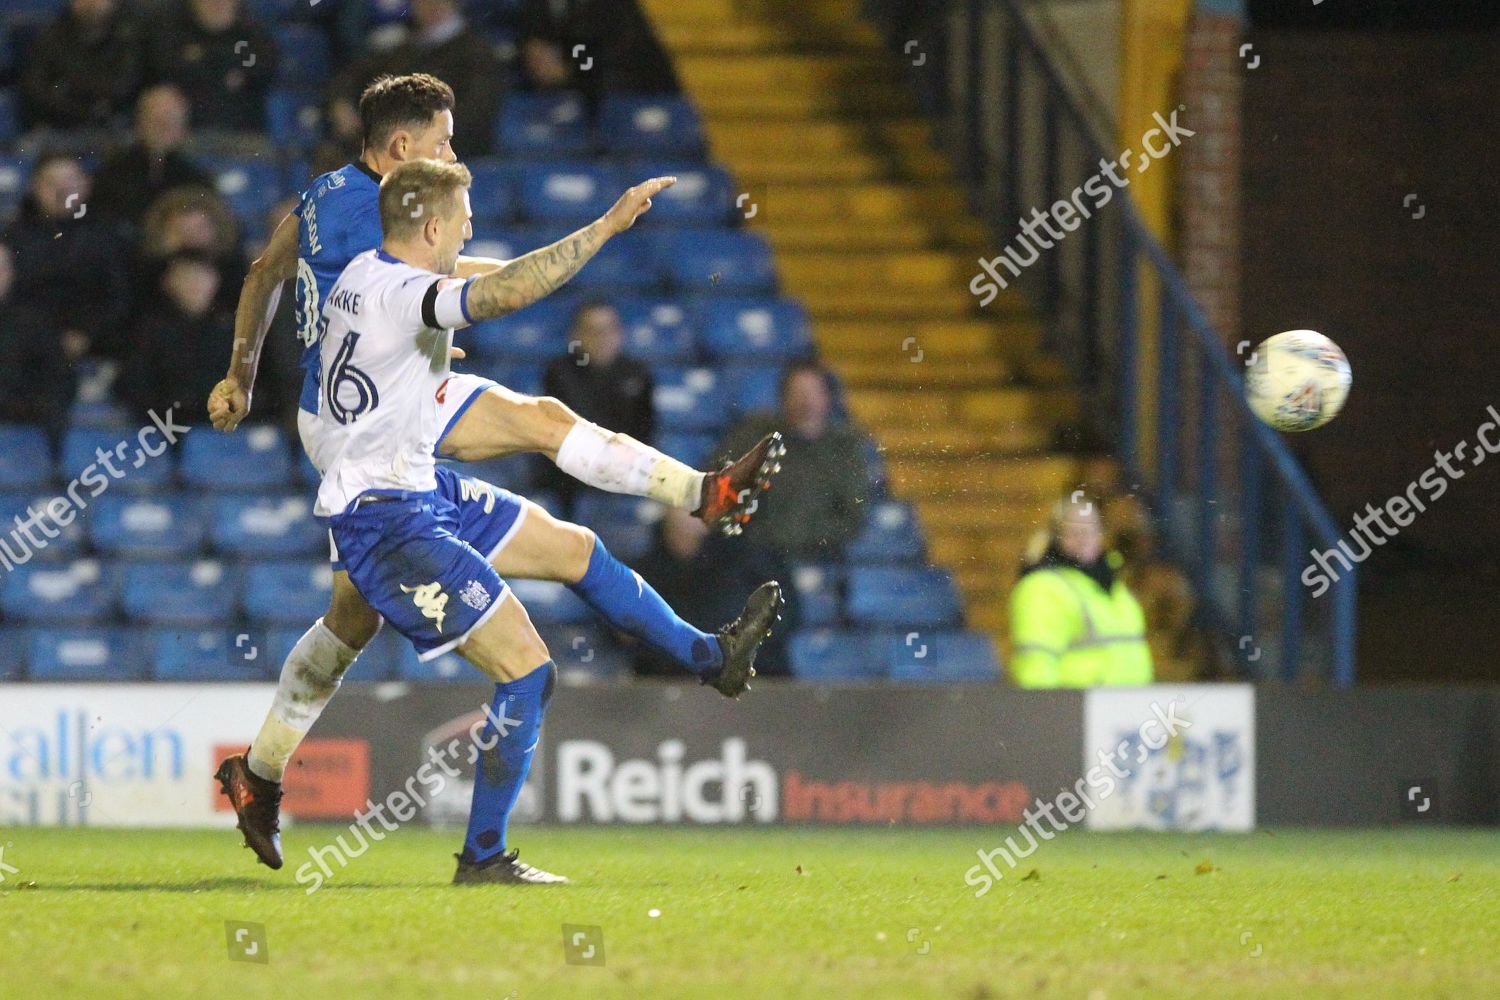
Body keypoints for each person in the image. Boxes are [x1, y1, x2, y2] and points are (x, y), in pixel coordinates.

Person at [210, 74, 783, 875]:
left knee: (539, 544)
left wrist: (247, 372)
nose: (454, 150)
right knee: (510, 633)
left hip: (383, 435)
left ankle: (709, 637)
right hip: (363, 451)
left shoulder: (330, 202)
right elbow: (456, 293)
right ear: (404, 154)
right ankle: (481, 855)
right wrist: (595, 234)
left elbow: (274, 276)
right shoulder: (368, 235)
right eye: (444, 140)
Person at [718, 359, 870, 559]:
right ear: (783, 398)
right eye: (798, 393)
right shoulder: (758, 437)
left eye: (813, 393)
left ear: (827, 398)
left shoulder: (845, 448)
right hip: (758, 557)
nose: (806, 402)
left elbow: (854, 516)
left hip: (823, 557)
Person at [1008, 494, 1154, 688]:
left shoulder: (1112, 583)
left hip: (1127, 707)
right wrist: (1046, 713)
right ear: (1056, 536)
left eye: (1090, 530)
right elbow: (1036, 664)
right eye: (1074, 531)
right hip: (1078, 709)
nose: (1084, 539)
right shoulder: (1043, 587)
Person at [633, 507, 796, 678]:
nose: (685, 520)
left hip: (750, 682)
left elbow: (784, 617)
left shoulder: (751, 561)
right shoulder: (647, 571)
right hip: (668, 684)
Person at [2, 152, 132, 361]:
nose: (62, 190)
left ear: (86, 185)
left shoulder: (108, 235)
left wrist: (85, 332)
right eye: (51, 183)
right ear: (33, 187)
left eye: (70, 181)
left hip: (99, 346)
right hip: (28, 347)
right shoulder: (13, 238)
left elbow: (119, 296)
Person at [330, 0, 504, 155]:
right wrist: (341, 103)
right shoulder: (402, 50)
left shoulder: (478, 54)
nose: (431, 4)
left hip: (454, 158)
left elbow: (475, 116)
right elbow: (351, 77)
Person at [539, 300, 655, 510]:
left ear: (621, 334)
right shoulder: (559, 373)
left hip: (626, 479)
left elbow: (646, 433)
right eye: (594, 331)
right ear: (576, 335)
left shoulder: (637, 374)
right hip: (571, 483)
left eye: (609, 330)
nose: (603, 339)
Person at [121, 252, 233, 419]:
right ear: (168, 282)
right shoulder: (150, 331)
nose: (195, 282)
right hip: (169, 428)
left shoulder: (234, 328)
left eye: (203, 274)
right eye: (186, 275)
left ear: (216, 280)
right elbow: (136, 386)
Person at [145, 0, 278, 135]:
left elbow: (261, 68)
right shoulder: (171, 32)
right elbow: (166, 71)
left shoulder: (250, 37)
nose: (217, 3)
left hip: (239, 136)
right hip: (183, 137)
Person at [91, 86, 212, 231]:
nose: (162, 128)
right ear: (140, 123)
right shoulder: (113, 171)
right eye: (156, 120)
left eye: (171, 121)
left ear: (183, 129)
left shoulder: (196, 178)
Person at [19, 0, 143, 135]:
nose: (91, 3)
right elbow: (36, 88)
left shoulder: (128, 37)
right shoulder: (50, 38)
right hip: (58, 128)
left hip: (113, 125)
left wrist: (74, 87)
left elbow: (126, 84)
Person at [518, 0, 680, 101]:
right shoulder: (541, 5)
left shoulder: (616, 6)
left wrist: (570, 69)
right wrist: (532, 48)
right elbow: (536, 35)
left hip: (630, 93)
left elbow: (622, 52)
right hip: (562, 92)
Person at [0, 243, 76, 441]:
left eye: (1, 269)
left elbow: (59, 378)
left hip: (22, 427)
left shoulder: (34, 323)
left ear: (12, 273)